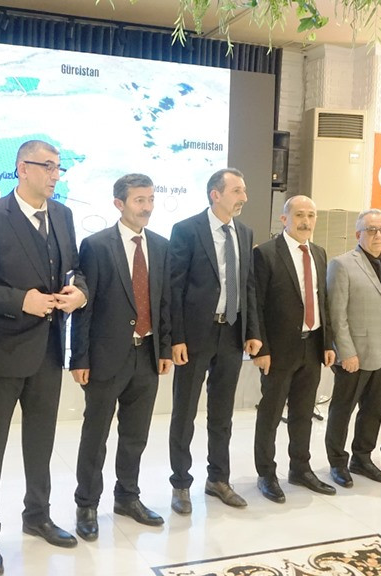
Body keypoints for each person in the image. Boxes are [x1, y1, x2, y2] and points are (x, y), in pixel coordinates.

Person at [0, 140, 88, 574]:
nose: (55, 175)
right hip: (2, 352)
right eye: (48, 166)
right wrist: (21, 300)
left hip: (49, 352)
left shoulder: (63, 215)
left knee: (40, 442)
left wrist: (79, 293)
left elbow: (76, 269)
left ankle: (37, 515)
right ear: (22, 168)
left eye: (59, 168)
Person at [69, 174, 172, 541]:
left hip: (147, 355)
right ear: (119, 203)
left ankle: (127, 496)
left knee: (135, 434)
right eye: (139, 200)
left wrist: (164, 348)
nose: (147, 207)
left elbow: (163, 302)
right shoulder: (96, 245)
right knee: (95, 433)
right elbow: (84, 306)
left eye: (150, 199)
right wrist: (79, 357)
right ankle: (86, 503)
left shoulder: (160, 246)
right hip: (105, 356)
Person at [167, 168, 261, 515]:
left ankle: (218, 479)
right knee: (185, 413)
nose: (244, 198)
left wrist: (253, 332)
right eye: (237, 191)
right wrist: (176, 337)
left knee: (222, 414)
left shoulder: (244, 232)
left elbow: (248, 285)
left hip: (231, 333)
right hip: (195, 336)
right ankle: (181, 483)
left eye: (244, 191)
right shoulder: (187, 230)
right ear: (215, 194)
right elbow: (174, 288)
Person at [251, 195, 336, 502]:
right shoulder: (265, 253)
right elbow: (256, 304)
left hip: (311, 346)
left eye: (311, 215)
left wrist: (327, 342)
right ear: (284, 218)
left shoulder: (319, 252)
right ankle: (266, 473)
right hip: (278, 350)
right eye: (299, 215)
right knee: (271, 414)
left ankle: (300, 468)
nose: (306, 221)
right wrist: (260, 349)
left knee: (303, 412)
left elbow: (322, 301)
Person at [325, 209, 381, 488]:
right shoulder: (342, 264)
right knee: (343, 410)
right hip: (355, 354)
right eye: (371, 230)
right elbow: (336, 314)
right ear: (358, 234)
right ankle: (337, 462)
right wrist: (345, 352)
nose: (378, 235)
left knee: (374, 410)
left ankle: (362, 458)